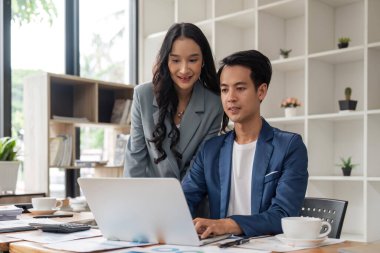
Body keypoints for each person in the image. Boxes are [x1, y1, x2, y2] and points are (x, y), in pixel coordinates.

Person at [182, 50, 308, 238]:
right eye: (224, 89)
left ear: (261, 91)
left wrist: (227, 224)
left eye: (240, 88)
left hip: (267, 247)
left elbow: (284, 215)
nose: (230, 97)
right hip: (220, 247)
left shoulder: (289, 146)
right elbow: (184, 199)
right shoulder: (211, 149)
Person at [124, 23, 223, 180]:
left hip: (191, 199)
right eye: (176, 60)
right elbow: (135, 160)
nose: (184, 70)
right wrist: (133, 201)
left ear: (203, 61)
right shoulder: (142, 96)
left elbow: (199, 166)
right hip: (148, 198)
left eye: (192, 60)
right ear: (166, 61)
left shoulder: (214, 104)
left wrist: (177, 201)